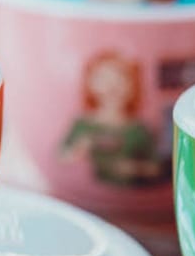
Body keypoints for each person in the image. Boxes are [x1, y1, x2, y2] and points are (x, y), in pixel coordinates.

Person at [60, 52, 166, 187]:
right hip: (90, 194)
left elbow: (157, 168)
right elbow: (62, 157)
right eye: (103, 78)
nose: (112, 86)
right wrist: (78, 149)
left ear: (133, 85)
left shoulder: (139, 129)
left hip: (135, 197)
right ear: (90, 84)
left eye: (120, 77)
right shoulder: (83, 125)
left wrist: (135, 169)